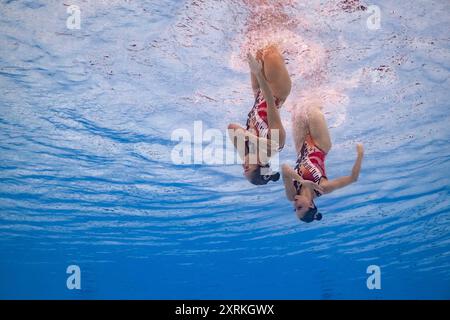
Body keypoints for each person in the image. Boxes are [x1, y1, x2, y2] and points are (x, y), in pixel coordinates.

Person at [282, 105, 364, 222]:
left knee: (297, 107)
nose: (295, 205)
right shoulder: (322, 188)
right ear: (311, 205)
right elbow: (353, 178)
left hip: (301, 146)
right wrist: (360, 154)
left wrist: (301, 181)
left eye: (295, 210)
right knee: (312, 107)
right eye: (299, 208)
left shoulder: (292, 194)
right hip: (320, 145)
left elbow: (285, 168)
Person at [228, 45, 291, 185]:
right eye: (247, 169)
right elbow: (270, 100)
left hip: (257, 93)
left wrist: (248, 146)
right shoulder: (276, 142)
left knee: (258, 49)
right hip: (276, 91)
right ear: (261, 165)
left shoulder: (248, 150)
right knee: (270, 52)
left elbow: (231, 127)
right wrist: (257, 73)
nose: (243, 166)